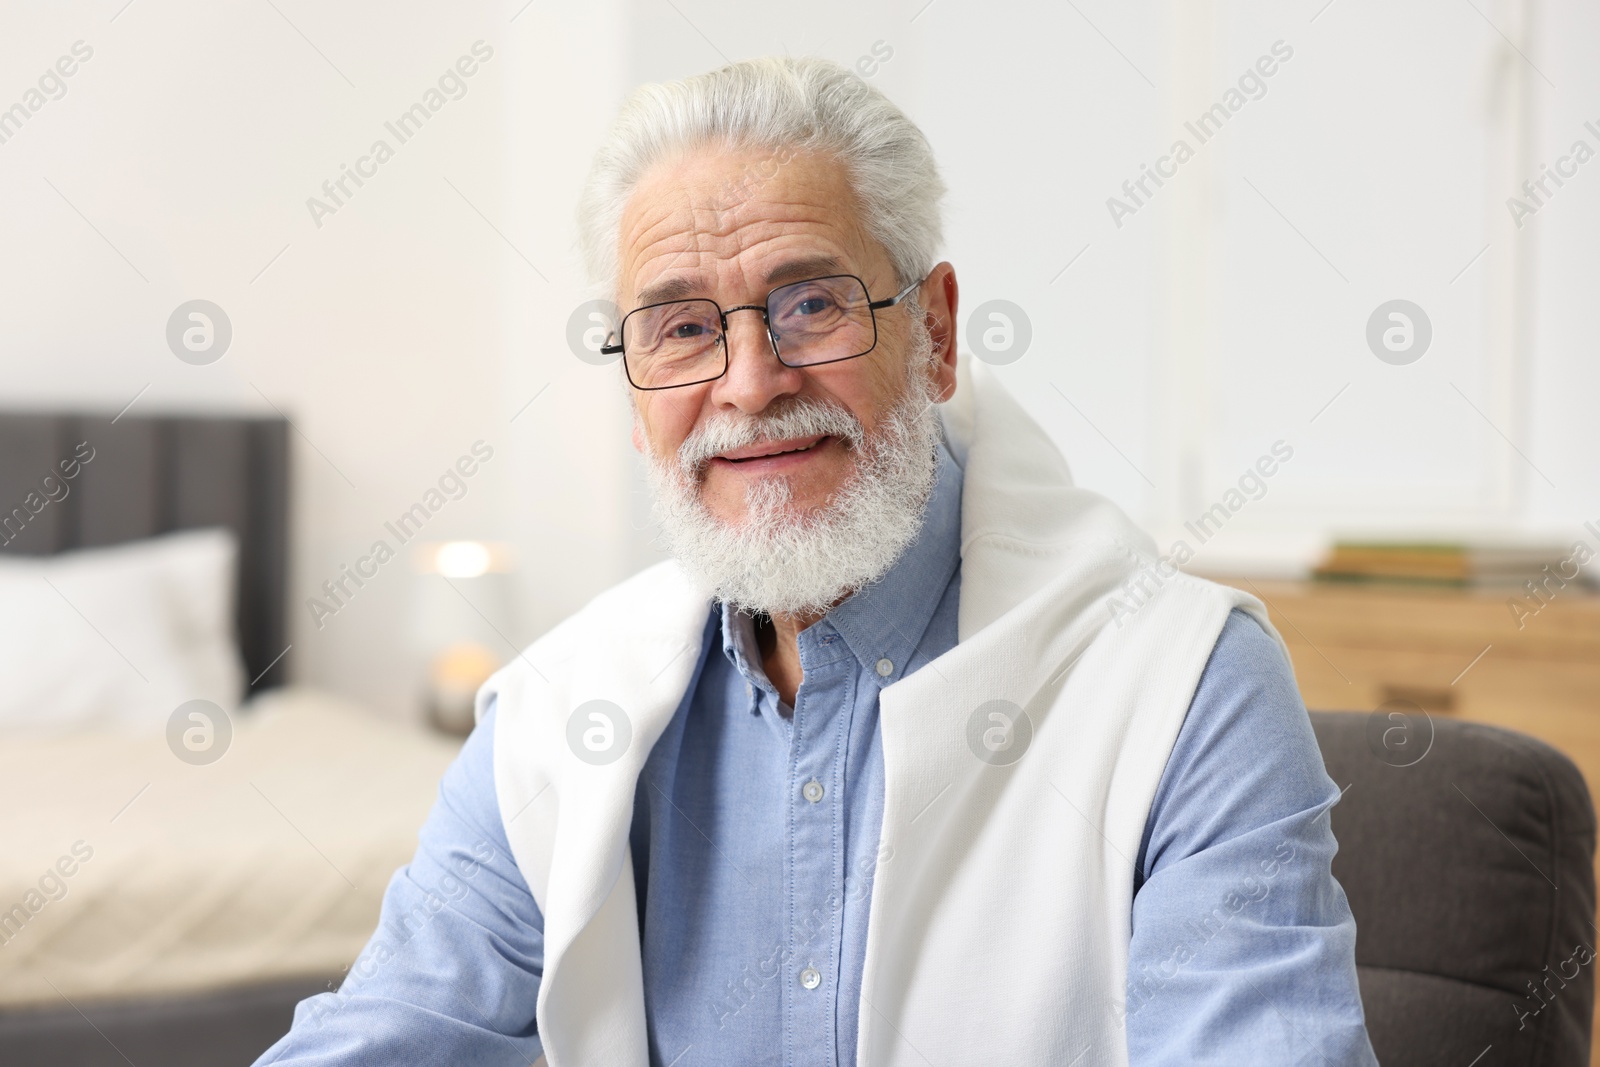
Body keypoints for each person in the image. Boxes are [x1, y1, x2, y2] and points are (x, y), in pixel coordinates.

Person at [257, 55, 1376, 1067]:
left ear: (934, 332)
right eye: (683, 327)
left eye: (808, 304)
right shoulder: (554, 720)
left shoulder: (1183, 687)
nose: (749, 384)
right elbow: (388, 1033)